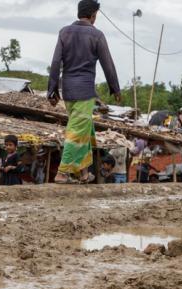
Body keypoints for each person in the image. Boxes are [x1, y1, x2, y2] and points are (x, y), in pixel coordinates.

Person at [48, 0, 121, 184]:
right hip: (85, 91)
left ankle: (84, 173)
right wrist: (115, 88)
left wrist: (52, 89)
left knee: (85, 131)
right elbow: (108, 64)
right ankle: (62, 173)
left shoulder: (64, 32)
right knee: (75, 131)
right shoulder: (96, 35)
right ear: (93, 15)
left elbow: (56, 62)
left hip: (68, 91)